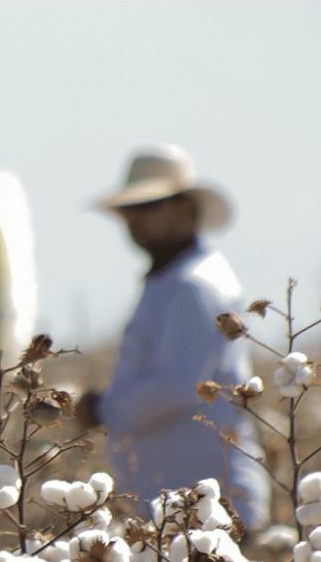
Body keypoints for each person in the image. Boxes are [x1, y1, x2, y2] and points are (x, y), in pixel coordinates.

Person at [76, 145, 270, 529]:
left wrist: (102, 409)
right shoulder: (175, 281)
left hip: (211, 513)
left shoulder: (192, 286)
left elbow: (181, 385)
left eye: (148, 207)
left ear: (185, 209)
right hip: (184, 512)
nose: (134, 221)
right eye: (129, 211)